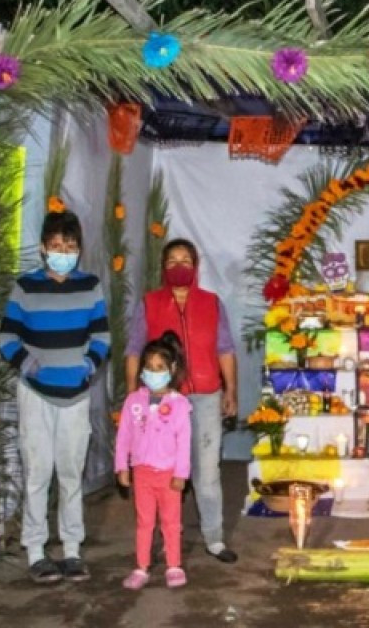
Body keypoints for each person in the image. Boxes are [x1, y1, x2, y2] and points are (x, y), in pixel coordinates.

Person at [0, 211, 110, 584]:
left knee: (70, 473)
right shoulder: (26, 287)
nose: (63, 252)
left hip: (76, 395)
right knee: (37, 472)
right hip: (35, 395)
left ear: (79, 250)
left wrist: (89, 366)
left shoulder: (90, 285)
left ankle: (73, 549)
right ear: (44, 248)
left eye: (70, 246)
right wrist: (26, 363)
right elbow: (7, 337)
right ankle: (35, 550)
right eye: (56, 246)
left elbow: (102, 337)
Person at [125, 239, 239, 564]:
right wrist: (134, 394)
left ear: (196, 266)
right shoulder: (149, 304)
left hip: (205, 397)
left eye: (185, 260)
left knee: (207, 472)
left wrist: (230, 391)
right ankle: (167, 537)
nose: (179, 266)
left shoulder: (212, 303)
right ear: (163, 267)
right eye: (172, 260)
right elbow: (134, 351)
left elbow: (225, 349)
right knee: (162, 471)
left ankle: (214, 538)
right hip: (162, 401)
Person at [116, 332, 192, 590]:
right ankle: (141, 566)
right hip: (142, 472)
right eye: (149, 367)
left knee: (171, 522)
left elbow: (184, 442)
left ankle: (174, 565)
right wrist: (121, 466)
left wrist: (181, 473)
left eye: (159, 367)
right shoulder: (133, 401)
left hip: (169, 473)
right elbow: (123, 435)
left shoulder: (180, 405)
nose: (153, 372)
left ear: (172, 369)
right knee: (144, 522)